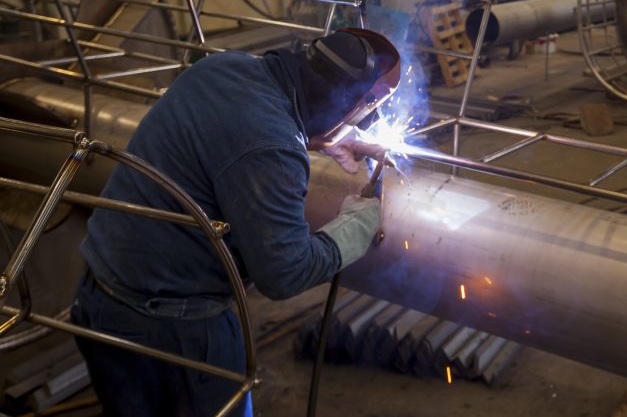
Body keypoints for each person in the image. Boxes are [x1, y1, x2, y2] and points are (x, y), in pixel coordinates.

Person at [70, 27, 401, 417]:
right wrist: (355, 227)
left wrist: (318, 136)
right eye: (369, 103)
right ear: (343, 97)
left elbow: (238, 133)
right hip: (174, 330)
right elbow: (285, 273)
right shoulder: (272, 146)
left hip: (97, 296)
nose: (368, 117)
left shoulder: (224, 67)